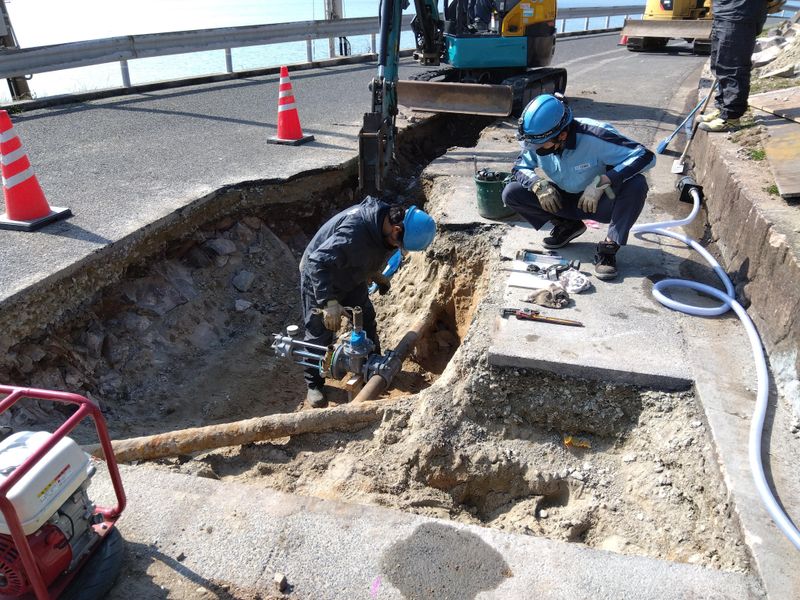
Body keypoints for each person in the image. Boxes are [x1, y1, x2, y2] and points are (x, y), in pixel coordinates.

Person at [299, 197, 436, 408]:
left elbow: (369, 250)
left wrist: (375, 273)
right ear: (397, 229)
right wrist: (328, 302)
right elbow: (317, 262)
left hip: (352, 275)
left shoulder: (384, 225)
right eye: (398, 243)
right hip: (320, 276)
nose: (396, 247)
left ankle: (371, 365)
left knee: (364, 317)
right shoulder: (355, 231)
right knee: (320, 332)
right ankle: (314, 383)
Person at [501, 93, 655, 280]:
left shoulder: (595, 136)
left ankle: (608, 248)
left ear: (562, 135)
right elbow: (519, 167)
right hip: (564, 200)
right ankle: (568, 226)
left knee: (637, 184)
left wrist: (603, 182)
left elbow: (645, 156)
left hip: (601, 203)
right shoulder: (538, 141)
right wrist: (537, 185)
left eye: (538, 145)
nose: (533, 149)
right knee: (512, 192)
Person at [697, 0, 777, 133]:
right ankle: (722, 109)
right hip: (723, 11)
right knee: (720, 64)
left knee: (732, 65)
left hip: (739, 12)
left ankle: (731, 118)